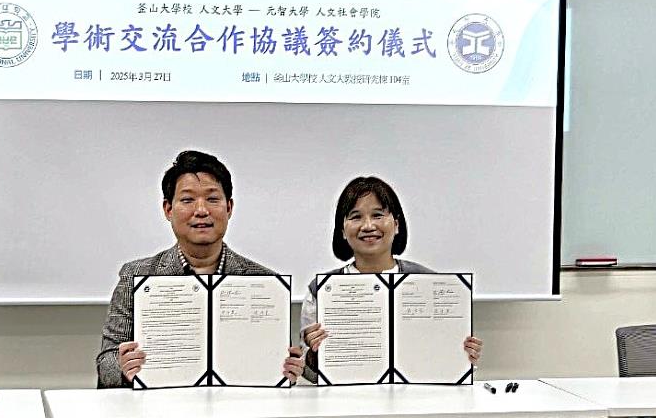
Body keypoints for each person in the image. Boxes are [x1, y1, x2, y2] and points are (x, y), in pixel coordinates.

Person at [97, 150, 304, 387]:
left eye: (212, 199)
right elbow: (105, 365)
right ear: (168, 209)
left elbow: (278, 367)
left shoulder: (266, 282)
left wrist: (288, 369)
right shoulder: (136, 277)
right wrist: (122, 366)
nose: (201, 210)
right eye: (187, 200)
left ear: (229, 207)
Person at [300, 176, 483, 382]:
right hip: (347, 399)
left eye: (378, 215)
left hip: (418, 399)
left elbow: (454, 367)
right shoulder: (321, 290)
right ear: (342, 230)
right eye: (356, 217)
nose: (368, 226)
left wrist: (464, 355)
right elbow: (309, 374)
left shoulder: (431, 284)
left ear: (396, 224)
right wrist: (314, 355)